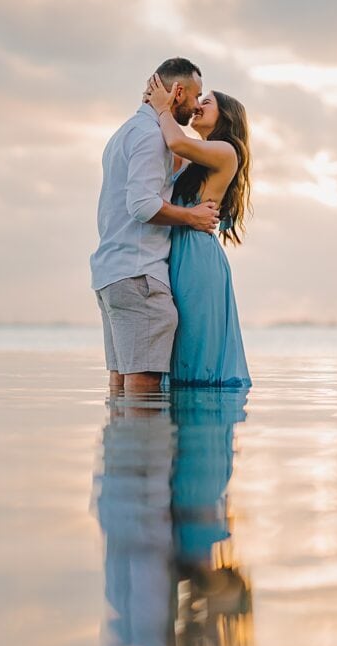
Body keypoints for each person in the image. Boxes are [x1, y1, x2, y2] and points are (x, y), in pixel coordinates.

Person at [90, 58, 221, 394]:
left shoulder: (126, 132)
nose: (195, 107)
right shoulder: (150, 136)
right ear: (177, 92)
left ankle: (125, 445)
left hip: (113, 273)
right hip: (139, 276)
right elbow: (143, 205)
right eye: (196, 96)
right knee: (143, 386)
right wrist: (192, 216)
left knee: (120, 385)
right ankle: (140, 447)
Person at [145, 75, 252, 388]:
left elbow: (175, 141)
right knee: (179, 338)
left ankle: (203, 427)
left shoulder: (226, 150)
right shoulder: (200, 156)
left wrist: (162, 108)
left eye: (207, 102)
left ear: (226, 116)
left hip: (197, 256)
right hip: (180, 250)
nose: (198, 106)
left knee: (195, 341)